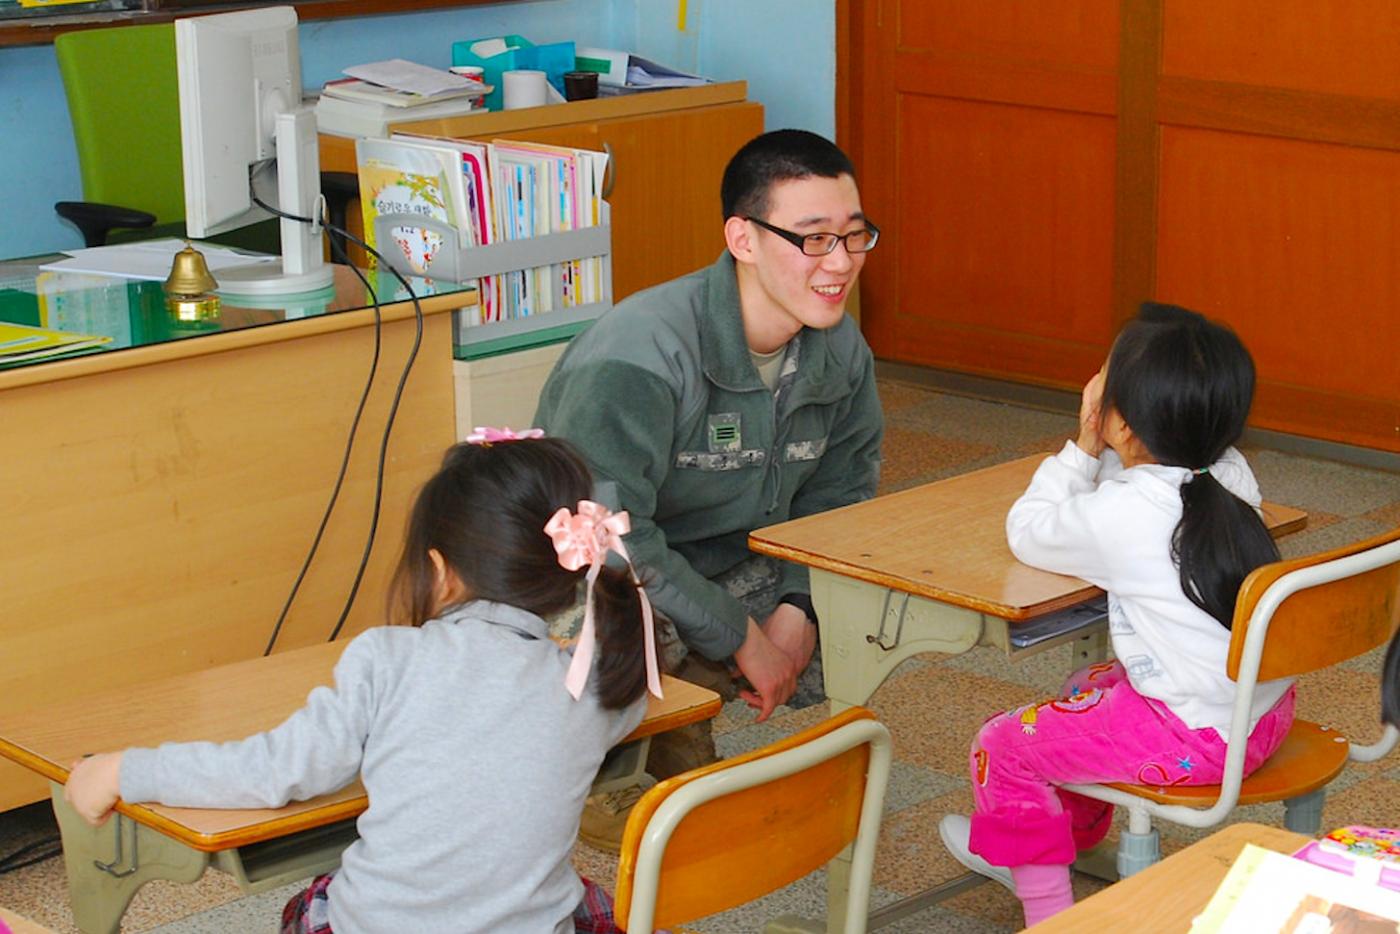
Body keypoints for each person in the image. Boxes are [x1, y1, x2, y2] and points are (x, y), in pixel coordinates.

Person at [64, 434, 660, 934]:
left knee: (314, 903)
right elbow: (622, 689)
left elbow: (273, 771)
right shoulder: (595, 688)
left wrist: (123, 770)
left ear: (439, 573)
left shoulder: (386, 658)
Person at [534, 129, 883, 780]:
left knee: (880, 613)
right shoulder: (639, 354)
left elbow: (842, 496)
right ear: (743, 239)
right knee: (601, 628)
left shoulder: (839, 348)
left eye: (854, 235)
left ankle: (686, 711)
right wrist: (742, 636)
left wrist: (798, 608)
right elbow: (607, 536)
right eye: (812, 239)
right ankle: (614, 774)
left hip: (720, 562)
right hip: (594, 570)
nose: (839, 262)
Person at [938, 303, 1296, 927]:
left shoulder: (1125, 515)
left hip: (1195, 738)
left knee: (1002, 745)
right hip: (1260, 716)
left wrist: (1083, 439)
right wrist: (1118, 429)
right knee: (1087, 687)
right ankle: (1052, 845)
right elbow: (1137, 479)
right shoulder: (1230, 473)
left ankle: (1049, 913)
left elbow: (1028, 531)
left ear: (1123, 424)